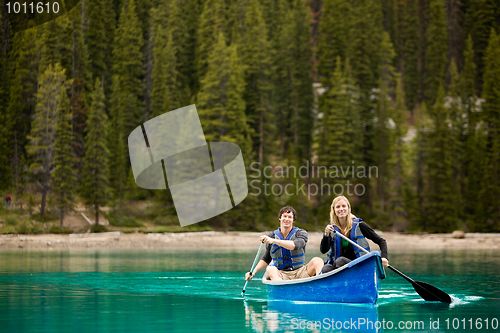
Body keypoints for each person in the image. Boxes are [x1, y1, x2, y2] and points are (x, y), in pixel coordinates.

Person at [245, 206, 324, 281]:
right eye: (284, 216)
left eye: (290, 217)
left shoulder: (301, 233)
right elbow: (266, 259)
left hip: (300, 272)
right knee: (270, 269)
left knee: (318, 260)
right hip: (282, 274)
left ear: (293, 220)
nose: (287, 219)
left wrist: (273, 241)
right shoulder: (272, 236)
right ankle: (282, 288)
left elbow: (294, 245)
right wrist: (253, 272)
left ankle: (319, 284)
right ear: (280, 218)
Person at [320, 196, 388, 274]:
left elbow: (381, 241)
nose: (341, 209)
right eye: (338, 207)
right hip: (339, 266)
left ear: (348, 208)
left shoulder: (359, 225)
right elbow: (323, 250)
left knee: (340, 261)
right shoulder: (332, 229)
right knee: (326, 268)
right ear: (334, 210)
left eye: (344, 206)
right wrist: (326, 234)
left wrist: (384, 257)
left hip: (359, 265)